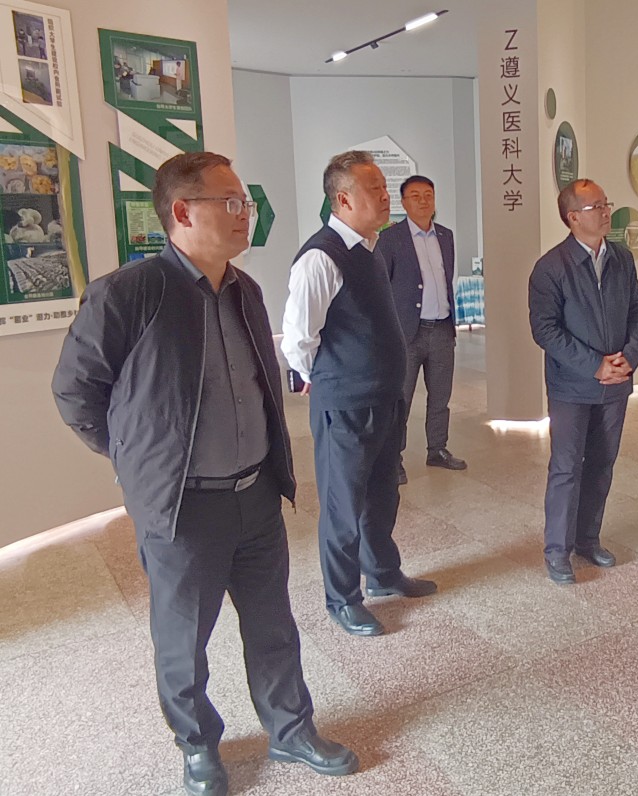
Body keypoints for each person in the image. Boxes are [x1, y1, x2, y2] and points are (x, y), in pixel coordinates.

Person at [51, 152, 358, 796]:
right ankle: (197, 746)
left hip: (255, 494)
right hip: (183, 508)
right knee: (183, 641)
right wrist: (137, 459)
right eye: (232, 202)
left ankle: (291, 728)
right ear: (183, 212)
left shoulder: (245, 290)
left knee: (273, 625)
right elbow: (75, 393)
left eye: (244, 201)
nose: (246, 213)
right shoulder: (128, 294)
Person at [282, 150, 436, 638]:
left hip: (385, 398)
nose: (386, 197)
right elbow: (297, 339)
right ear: (344, 199)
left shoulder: (370, 248)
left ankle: (383, 573)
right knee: (343, 506)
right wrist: (326, 378)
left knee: (382, 493)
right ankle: (342, 598)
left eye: (385, 188)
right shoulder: (320, 257)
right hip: (346, 406)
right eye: (375, 189)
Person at [529, 178, 638, 584]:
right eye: (595, 206)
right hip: (572, 386)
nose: (605, 212)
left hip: (616, 383)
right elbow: (545, 330)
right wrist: (595, 365)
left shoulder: (621, 258)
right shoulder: (551, 267)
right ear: (572, 217)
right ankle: (557, 551)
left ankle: (587, 539)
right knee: (566, 468)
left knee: (602, 464)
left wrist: (629, 357)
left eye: (605, 203)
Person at [377, 175, 467, 485]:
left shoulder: (446, 236)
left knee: (441, 397)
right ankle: (393, 459)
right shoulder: (390, 239)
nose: (423, 201)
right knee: (400, 399)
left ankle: (437, 449)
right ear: (403, 203)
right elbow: (382, 288)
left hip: (441, 328)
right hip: (406, 334)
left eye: (428, 194)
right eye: (415, 196)